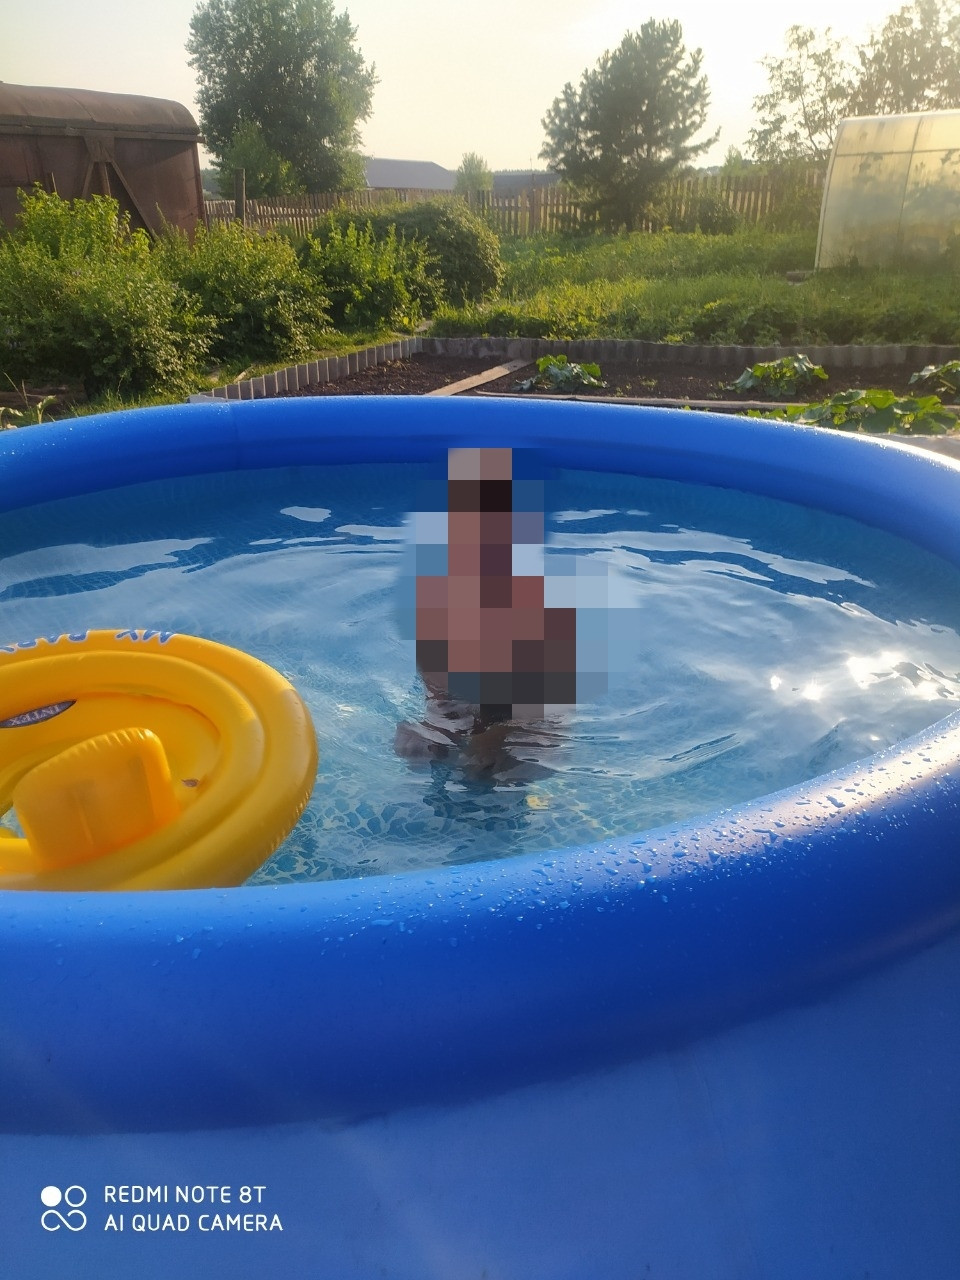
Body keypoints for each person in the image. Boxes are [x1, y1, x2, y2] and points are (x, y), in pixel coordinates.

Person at [394, 446, 577, 779]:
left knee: (515, 764)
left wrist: (496, 739)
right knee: (417, 749)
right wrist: (435, 730)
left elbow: (545, 712)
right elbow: (441, 701)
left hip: (532, 720)